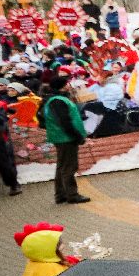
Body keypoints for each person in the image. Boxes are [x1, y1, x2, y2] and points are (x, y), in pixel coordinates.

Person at [41, 74, 90, 204]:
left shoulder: (53, 99)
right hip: (65, 138)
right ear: (63, 87)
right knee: (69, 167)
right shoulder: (59, 100)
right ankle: (72, 195)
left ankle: (61, 194)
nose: (69, 85)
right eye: (67, 84)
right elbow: (65, 121)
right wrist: (77, 136)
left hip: (61, 137)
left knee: (62, 166)